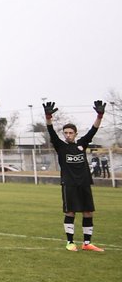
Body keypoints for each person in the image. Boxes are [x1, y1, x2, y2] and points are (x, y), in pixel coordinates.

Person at [45, 100, 106, 252]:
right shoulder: (61, 146)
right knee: (70, 212)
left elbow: (94, 129)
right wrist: (48, 117)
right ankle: (70, 242)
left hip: (84, 183)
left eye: (70, 133)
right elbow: (51, 130)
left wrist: (100, 115)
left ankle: (87, 243)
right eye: (65, 133)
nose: (68, 135)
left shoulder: (82, 144)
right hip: (69, 184)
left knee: (88, 212)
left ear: (75, 134)